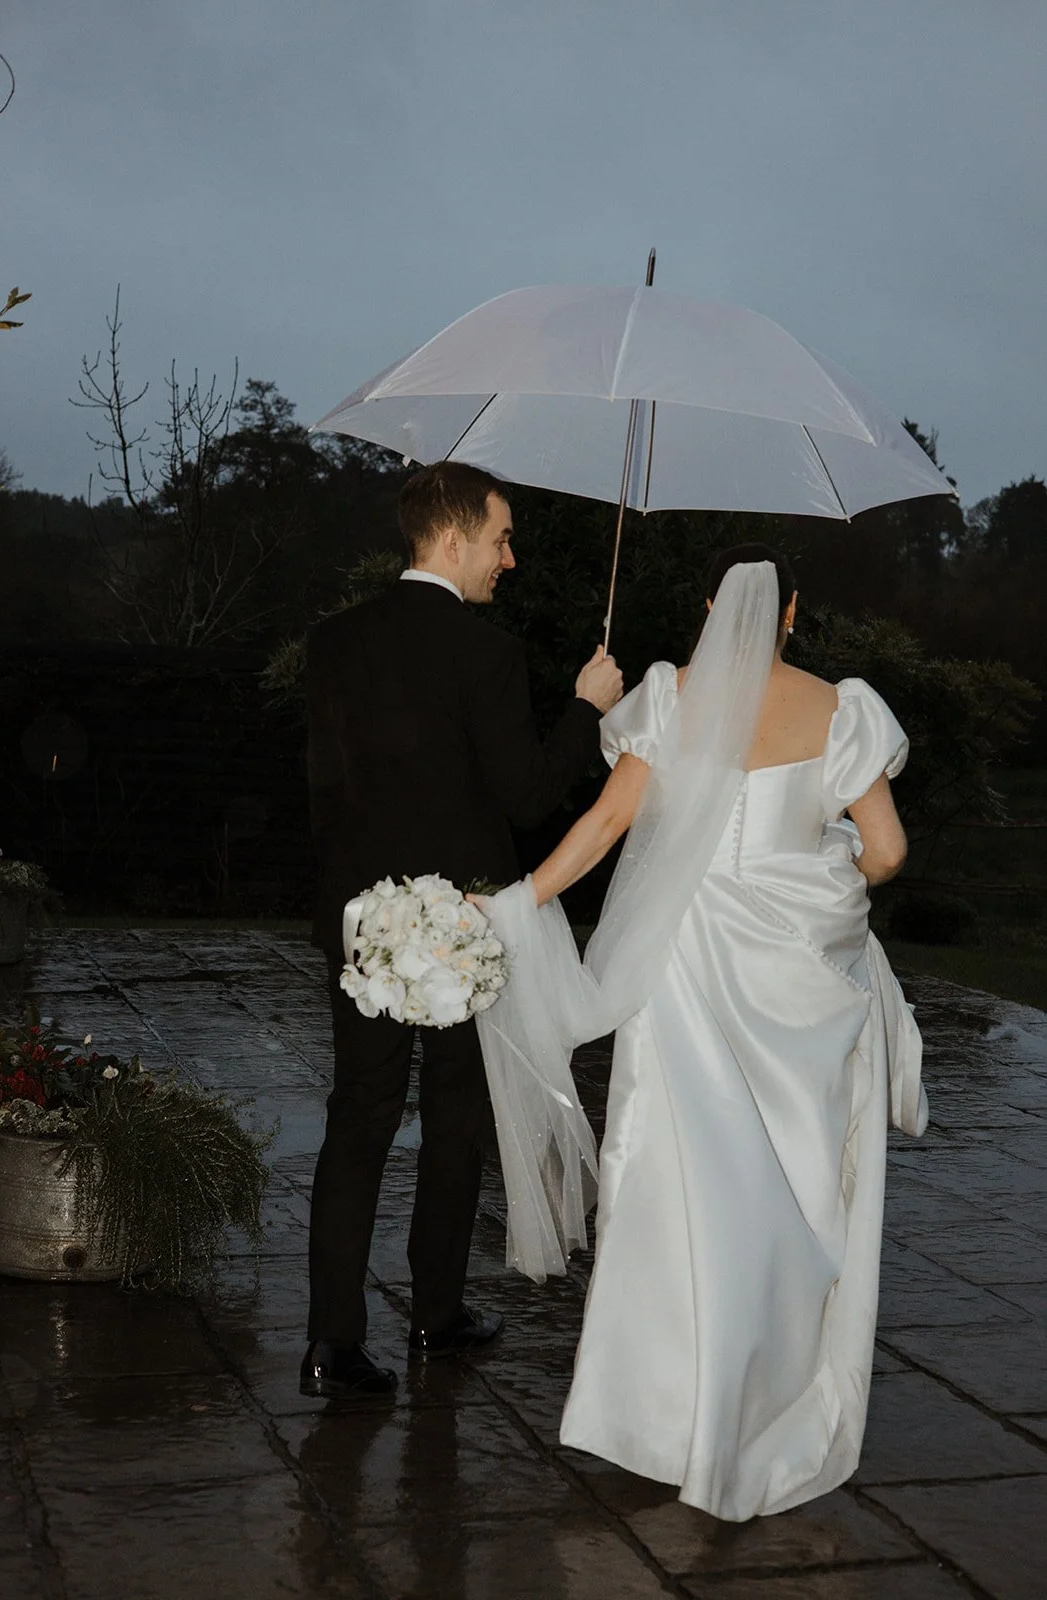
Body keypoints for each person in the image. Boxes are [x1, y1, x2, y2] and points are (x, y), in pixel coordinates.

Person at [475, 544, 927, 1521]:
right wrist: (835, 856)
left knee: (670, 1187)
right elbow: (885, 851)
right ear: (793, 614)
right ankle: (757, 1405)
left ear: (713, 606)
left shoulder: (666, 699)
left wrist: (513, 902)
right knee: (784, 1193)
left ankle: (652, 1412)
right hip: (793, 982)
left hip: (681, 972)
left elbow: (600, 828)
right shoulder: (840, 708)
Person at [301, 460, 623, 1399]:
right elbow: (527, 795)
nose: (509, 559)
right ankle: (435, 1316)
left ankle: (332, 1343)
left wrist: (355, 905)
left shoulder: (332, 642)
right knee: (452, 1121)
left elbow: (325, 795)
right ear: (452, 538)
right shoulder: (487, 653)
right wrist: (586, 710)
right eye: (500, 538)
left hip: (362, 923)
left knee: (356, 1122)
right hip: (465, 928)